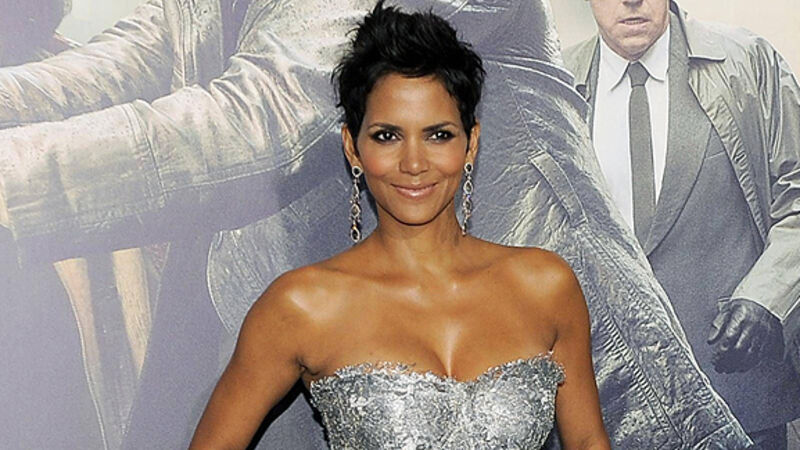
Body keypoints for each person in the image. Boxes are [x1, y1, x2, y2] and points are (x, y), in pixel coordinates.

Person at [0, 0, 753, 448]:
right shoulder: (297, 309)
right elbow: (134, 58)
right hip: (341, 313)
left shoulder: (544, 283)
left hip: (525, 290)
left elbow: (269, 114)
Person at [189, 4, 610, 448]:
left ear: (471, 144)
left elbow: (588, 442)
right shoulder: (301, 306)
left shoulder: (545, 286)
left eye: (438, 135)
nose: (413, 163)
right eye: (387, 136)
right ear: (352, 147)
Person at [562, 0, 800, 447]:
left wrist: (768, 297)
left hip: (738, 394)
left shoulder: (747, 64)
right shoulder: (556, 84)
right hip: (608, 404)